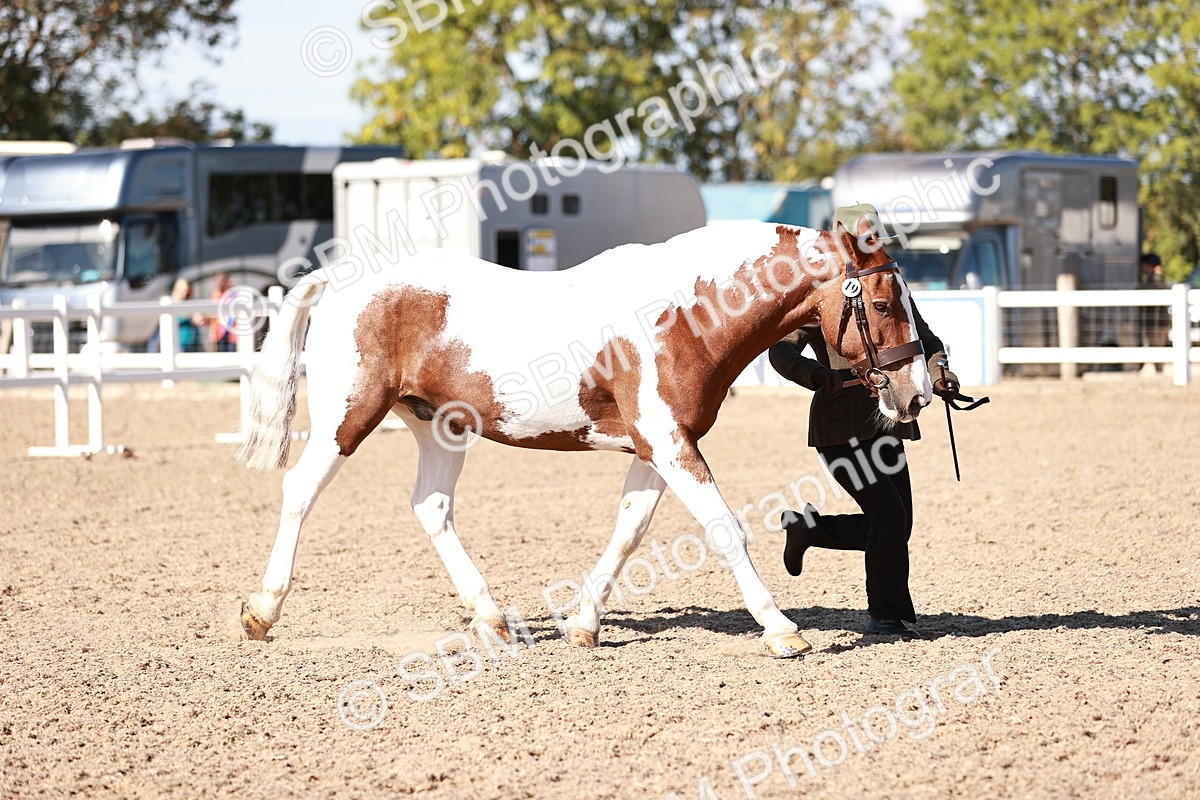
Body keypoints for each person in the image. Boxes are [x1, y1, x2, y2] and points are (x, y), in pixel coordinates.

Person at [769, 207, 961, 640]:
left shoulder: (889, 286)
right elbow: (781, 351)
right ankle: (884, 616)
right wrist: (820, 377)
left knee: (897, 525)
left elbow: (925, 340)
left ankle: (808, 529)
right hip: (839, 427)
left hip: (887, 425)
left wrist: (939, 373)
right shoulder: (821, 295)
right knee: (889, 519)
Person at [148, 277, 202, 353]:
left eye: (187, 291)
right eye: (182, 291)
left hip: (191, 344)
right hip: (178, 343)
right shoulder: (171, 304)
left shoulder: (192, 303)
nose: (184, 294)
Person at [1138, 253, 1169, 371]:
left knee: (1155, 345)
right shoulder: (1149, 280)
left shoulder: (1156, 280)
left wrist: (1156, 275)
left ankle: (1151, 368)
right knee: (1153, 345)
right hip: (1153, 320)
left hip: (1158, 320)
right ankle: (1151, 368)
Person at [208, 272, 237, 352]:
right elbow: (213, 316)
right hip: (219, 333)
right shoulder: (215, 295)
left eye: (222, 280)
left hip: (232, 333)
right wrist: (212, 333)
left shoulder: (234, 294)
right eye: (218, 280)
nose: (219, 283)